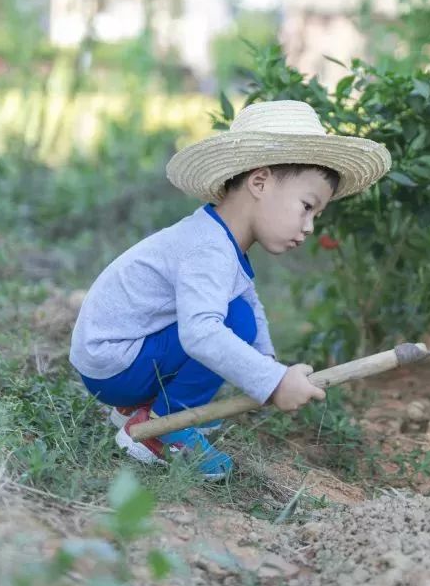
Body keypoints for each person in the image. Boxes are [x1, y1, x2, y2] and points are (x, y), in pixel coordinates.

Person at [69, 100, 391, 479]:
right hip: (114, 364)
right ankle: (163, 428)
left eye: (315, 216)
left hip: (113, 358)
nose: (309, 227)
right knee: (231, 320)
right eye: (306, 207)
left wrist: (269, 367)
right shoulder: (208, 248)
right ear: (259, 182)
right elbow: (202, 333)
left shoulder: (218, 238)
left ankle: (142, 405)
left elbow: (252, 304)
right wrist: (271, 383)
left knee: (239, 312)